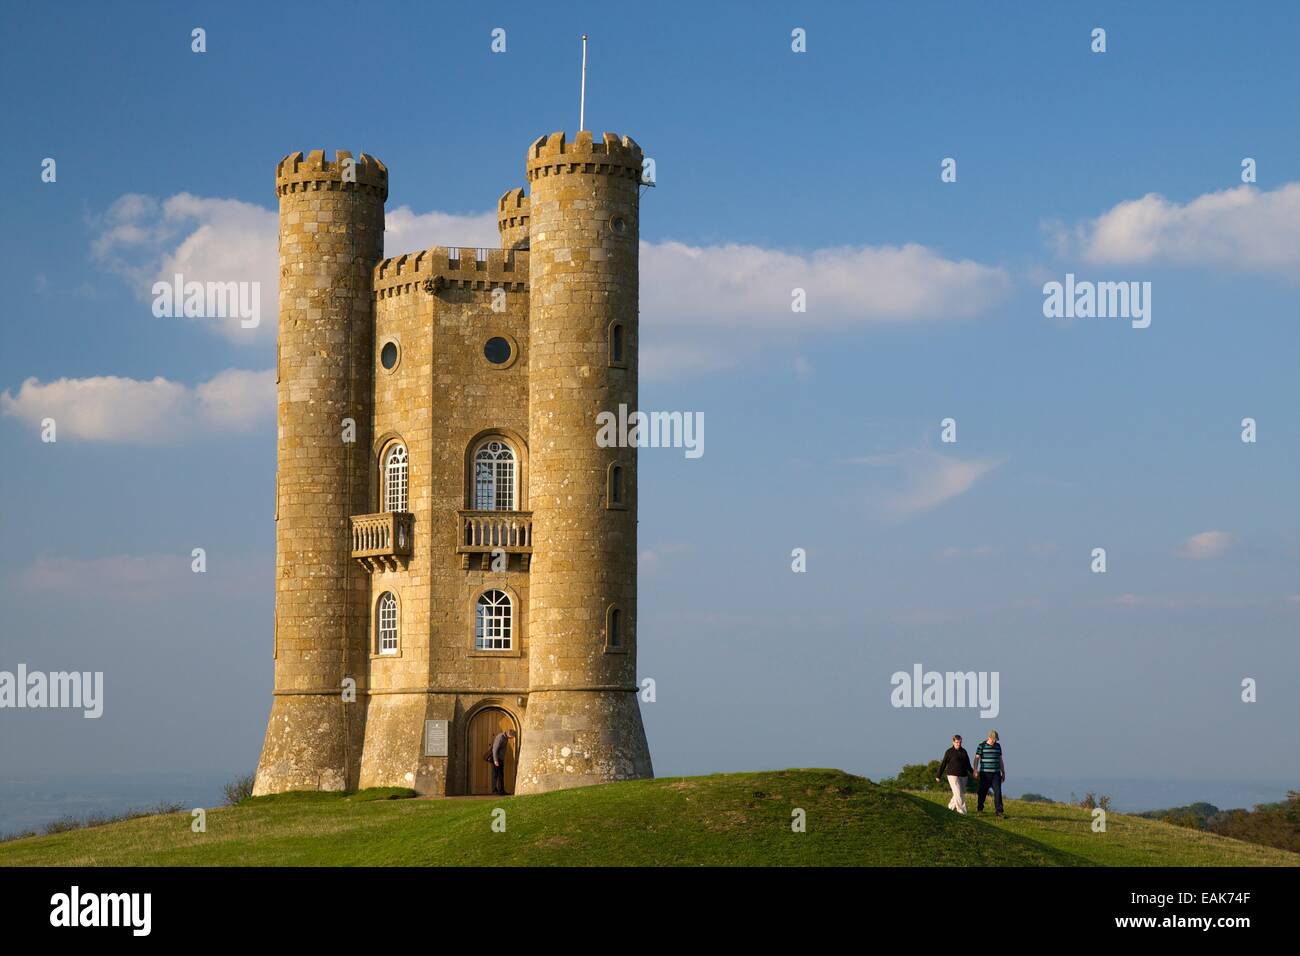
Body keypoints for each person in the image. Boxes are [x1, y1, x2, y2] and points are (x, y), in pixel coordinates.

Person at [935, 734, 972, 814]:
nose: (958, 744)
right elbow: (943, 763)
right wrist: (938, 775)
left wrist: (973, 773)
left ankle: (950, 808)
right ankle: (962, 811)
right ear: (953, 742)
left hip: (963, 776)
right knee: (958, 793)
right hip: (952, 775)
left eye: (960, 742)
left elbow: (968, 764)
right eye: (957, 742)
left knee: (959, 793)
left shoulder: (964, 751)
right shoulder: (949, 752)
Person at [974, 729, 1006, 817]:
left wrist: (1003, 772)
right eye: (993, 739)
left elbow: (1000, 760)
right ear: (989, 737)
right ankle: (980, 809)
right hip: (985, 773)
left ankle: (999, 811)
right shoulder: (982, 746)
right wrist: (975, 770)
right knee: (982, 792)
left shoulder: (998, 746)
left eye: (996, 739)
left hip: (996, 773)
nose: (995, 741)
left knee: (998, 792)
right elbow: (977, 758)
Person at [490, 728, 516, 795]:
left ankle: (501, 791)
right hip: (496, 759)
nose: (511, 738)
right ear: (509, 734)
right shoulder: (500, 737)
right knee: (495, 775)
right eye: (512, 737)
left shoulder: (505, 738)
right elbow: (494, 749)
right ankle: (494, 790)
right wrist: (495, 760)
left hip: (500, 759)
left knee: (501, 775)